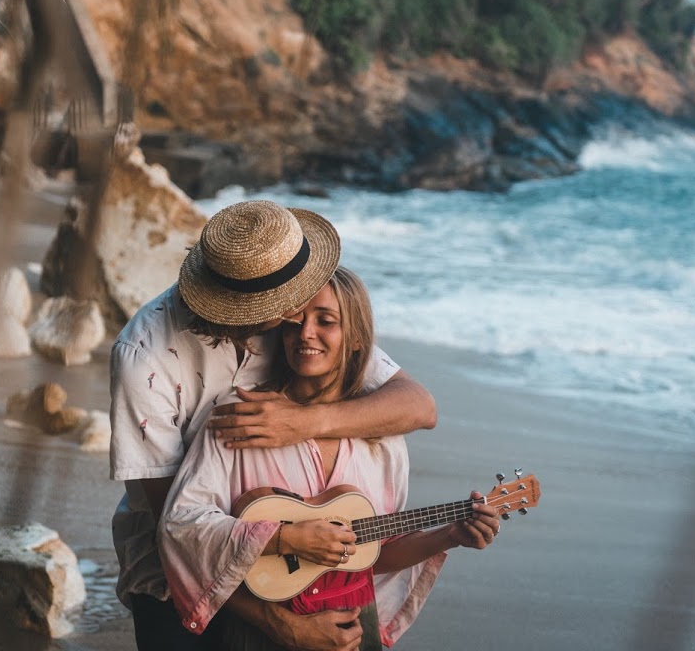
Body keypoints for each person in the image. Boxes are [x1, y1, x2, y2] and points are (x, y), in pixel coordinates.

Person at [110, 201, 438, 650]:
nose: (300, 317)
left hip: (304, 566)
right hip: (177, 572)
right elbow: (175, 531)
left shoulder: (293, 307)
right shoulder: (144, 356)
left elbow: (418, 405)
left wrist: (304, 423)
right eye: (288, 309)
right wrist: (278, 622)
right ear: (242, 307)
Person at [158, 268, 502, 649]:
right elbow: (181, 525)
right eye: (294, 322)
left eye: (326, 321)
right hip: (262, 627)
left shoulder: (381, 436)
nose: (306, 333)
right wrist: (282, 538)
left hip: (353, 629)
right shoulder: (242, 415)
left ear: (357, 339)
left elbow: (370, 555)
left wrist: (449, 535)